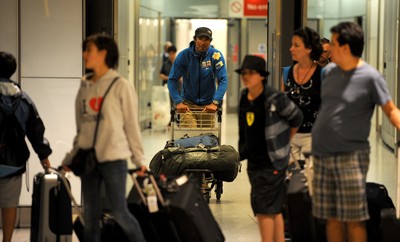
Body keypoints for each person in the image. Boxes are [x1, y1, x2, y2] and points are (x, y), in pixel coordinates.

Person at [311, 21, 400, 242]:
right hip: (322, 154)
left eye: (333, 43)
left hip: (350, 156)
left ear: (346, 47)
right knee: (330, 217)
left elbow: (391, 110)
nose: (328, 48)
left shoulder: (370, 77)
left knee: (353, 217)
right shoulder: (329, 72)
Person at [62, 34, 147, 242]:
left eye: (88, 50)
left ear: (103, 53)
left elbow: (131, 126)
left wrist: (140, 160)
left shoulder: (121, 85)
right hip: (89, 161)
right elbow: (82, 129)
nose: (84, 55)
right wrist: (70, 158)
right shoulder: (84, 88)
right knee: (90, 218)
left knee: (120, 212)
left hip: (114, 158)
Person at [237, 55, 303, 242]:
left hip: (272, 160)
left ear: (262, 76)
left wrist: (284, 140)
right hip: (254, 160)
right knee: (273, 209)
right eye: (243, 73)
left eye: (251, 73)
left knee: (263, 209)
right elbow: (244, 126)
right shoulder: (244, 96)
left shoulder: (274, 97)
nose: (246, 76)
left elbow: (297, 117)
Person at [0, 51, 52, 242]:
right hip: (13, 163)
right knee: (9, 204)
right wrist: (44, 156)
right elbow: (35, 129)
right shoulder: (23, 99)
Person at [282, 27, 323, 164]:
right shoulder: (287, 72)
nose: (291, 49)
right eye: (292, 45)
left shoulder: (322, 74)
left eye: (296, 45)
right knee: (288, 180)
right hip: (290, 135)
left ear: (309, 48)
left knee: (309, 181)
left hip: (313, 136)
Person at [168, 27, 228, 115]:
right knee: (190, 128)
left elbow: (223, 80)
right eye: (200, 39)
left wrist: (215, 102)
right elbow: (172, 79)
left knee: (207, 129)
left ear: (210, 41)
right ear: (195, 39)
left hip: (209, 105)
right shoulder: (184, 56)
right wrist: (178, 102)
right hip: (188, 104)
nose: (203, 43)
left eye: (206, 39)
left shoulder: (216, 56)